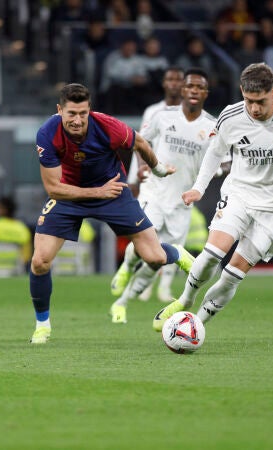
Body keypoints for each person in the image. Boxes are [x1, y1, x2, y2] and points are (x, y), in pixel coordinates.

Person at [152, 62, 273, 330]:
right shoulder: (231, 116)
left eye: (260, 101)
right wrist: (199, 188)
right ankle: (186, 299)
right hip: (240, 194)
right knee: (213, 252)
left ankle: (195, 325)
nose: (254, 108)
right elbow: (215, 151)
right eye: (249, 101)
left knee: (232, 274)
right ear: (241, 92)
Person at [29, 82, 194, 344]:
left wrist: (158, 168)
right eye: (71, 113)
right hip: (69, 195)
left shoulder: (106, 125)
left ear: (89, 110)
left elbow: (139, 141)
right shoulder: (47, 134)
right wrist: (97, 193)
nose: (77, 120)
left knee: (154, 257)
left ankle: (176, 252)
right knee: (40, 261)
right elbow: (53, 189)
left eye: (83, 113)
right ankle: (42, 326)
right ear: (60, 110)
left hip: (113, 191)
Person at [108, 68, 216, 322]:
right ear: (183, 89)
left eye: (200, 87)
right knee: (146, 243)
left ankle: (121, 303)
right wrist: (145, 166)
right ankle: (125, 267)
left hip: (182, 201)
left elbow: (223, 161)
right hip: (154, 192)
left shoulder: (212, 126)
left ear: (205, 93)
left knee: (157, 260)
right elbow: (139, 141)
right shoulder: (162, 116)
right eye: (190, 86)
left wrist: (213, 173)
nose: (194, 91)